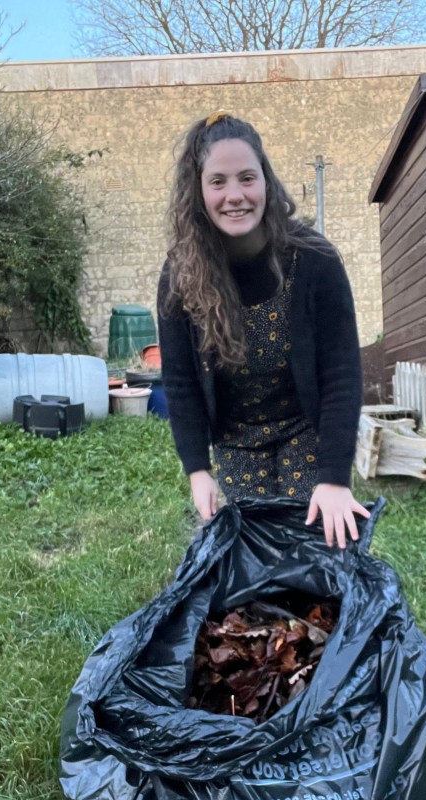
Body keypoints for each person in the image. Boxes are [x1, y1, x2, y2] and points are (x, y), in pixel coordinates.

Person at [157, 111, 369, 549]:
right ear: (198, 192)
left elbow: (342, 374)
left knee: (316, 548)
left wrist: (334, 479)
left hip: (304, 429)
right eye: (218, 182)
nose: (235, 195)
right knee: (252, 553)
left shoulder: (315, 260)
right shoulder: (180, 276)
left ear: (266, 183)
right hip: (236, 441)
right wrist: (199, 470)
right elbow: (180, 383)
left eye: (246, 178)